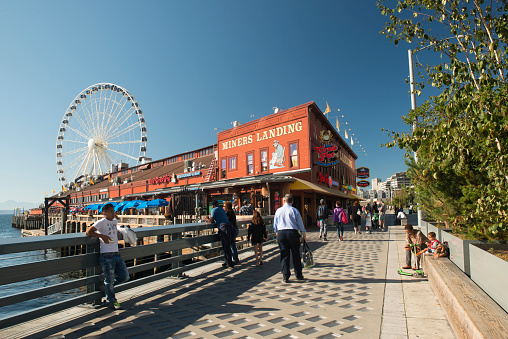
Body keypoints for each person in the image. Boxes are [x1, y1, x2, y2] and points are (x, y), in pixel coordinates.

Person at [86, 203, 129, 310]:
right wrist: (101, 236)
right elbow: (89, 232)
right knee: (109, 280)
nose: (113, 213)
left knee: (125, 276)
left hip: (116, 253)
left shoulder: (114, 221)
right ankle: (112, 301)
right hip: (107, 255)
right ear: (104, 213)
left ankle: (106, 288)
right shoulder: (102, 222)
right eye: (111, 211)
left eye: (114, 211)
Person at [273, 193, 307, 283]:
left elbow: (275, 224)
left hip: (281, 233)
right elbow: (300, 224)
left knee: (284, 254)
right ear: (292, 201)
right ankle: (298, 275)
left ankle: (285, 276)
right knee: (296, 254)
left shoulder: (278, 211)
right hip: (292, 233)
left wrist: (276, 231)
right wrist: (303, 234)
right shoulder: (295, 211)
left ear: (284, 201)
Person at [206, 200, 235, 268]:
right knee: (228, 245)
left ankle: (229, 263)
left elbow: (211, 221)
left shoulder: (214, 210)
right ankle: (228, 261)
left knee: (226, 246)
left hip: (223, 228)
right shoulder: (221, 209)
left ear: (212, 206)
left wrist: (207, 219)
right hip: (229, 226)